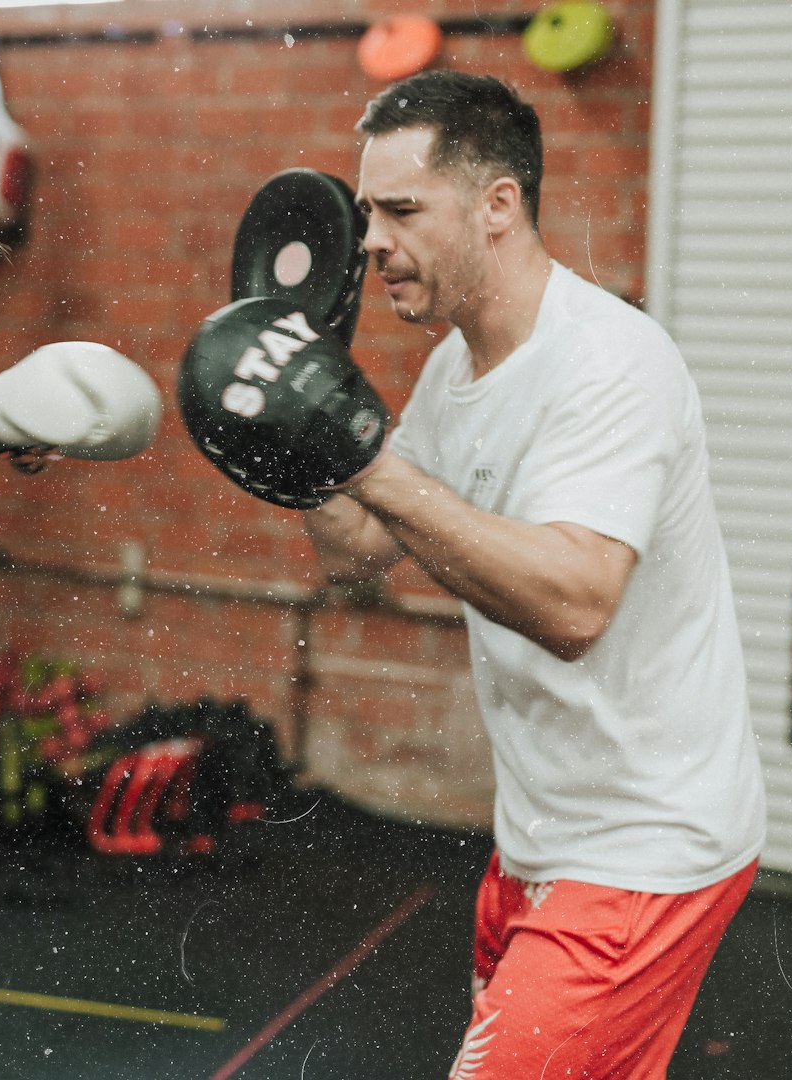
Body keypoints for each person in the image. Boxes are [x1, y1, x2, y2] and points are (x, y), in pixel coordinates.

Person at [303, 71, 766, 1077]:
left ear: (499, 205)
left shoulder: (609, 363)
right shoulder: (452, 372)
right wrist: (293, 452)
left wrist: (370, 462)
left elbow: (574, 603)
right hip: (540, 842)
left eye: (402, 209)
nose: (372, 238)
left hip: (644, 847)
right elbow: (357, 552)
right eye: (366, 210)